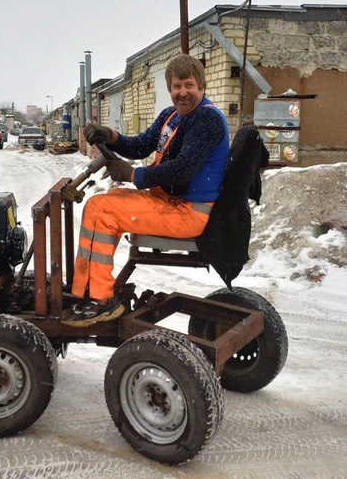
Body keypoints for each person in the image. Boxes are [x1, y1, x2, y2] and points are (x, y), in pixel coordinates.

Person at [64, 54, 229, 325]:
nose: (183, 92)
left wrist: (132, 174)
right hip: (170, 201)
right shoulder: (171, 116)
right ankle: (85, 288)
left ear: (202, 87)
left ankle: (100, 299)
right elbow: (141, 145)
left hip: (189, 212)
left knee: (100, 209)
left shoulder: (206, 120)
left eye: (189, 85)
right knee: (110, 199)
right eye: (177, 86)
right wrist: (111, 136)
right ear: (170, 89)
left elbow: (183, 168)